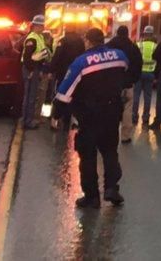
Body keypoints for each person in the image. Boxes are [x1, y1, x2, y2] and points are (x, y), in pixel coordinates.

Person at [55, 28, 129, 209]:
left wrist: (57, 113)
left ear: (88, 41)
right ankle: (112, 188)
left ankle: (92, 197)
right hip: (112, 113)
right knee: (110, 151)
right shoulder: (119, 56)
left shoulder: (81, 62)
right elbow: (127, 72)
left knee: (88, 156)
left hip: (89, 115)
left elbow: (65, 93)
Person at [105, 25, 143, 143]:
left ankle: (108, 135)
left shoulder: (108, 47)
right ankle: (125, 136)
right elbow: (138, 64)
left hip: (110, 84)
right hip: (127, 84)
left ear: (117, 33)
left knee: (109, 109)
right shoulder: (133, 47)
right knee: (127, 109)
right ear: (127, 34)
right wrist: (133, 80)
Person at [49, 26, 86, 132]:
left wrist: (51, 70)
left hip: (63, 73)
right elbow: (83, 56)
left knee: (61, 96)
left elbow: (57, 56)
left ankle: (55, 120)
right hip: (76, 74)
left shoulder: (63, 41)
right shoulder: (80, 41)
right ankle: (68, 120)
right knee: (74, 96)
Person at [20, 15, 52, 129]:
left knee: (32, 95)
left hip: (35, 68)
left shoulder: (39, 37)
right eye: (42, 26)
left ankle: (28, 119)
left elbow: (41, 54)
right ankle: (27, 121)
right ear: (37, 26)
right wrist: (32, 70)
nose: (44, 28)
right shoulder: (32, 38)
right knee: (30, 96)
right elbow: (28, 57)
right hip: (31, 69)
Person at [133, 25, 157, 126]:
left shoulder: (139, 45)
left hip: (139, 74)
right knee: (148, 97)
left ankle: (134, 116)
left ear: (144, 34)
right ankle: (146, 118)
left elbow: (134, 60)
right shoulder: (155, 46)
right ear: (152, 35)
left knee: (136, 96)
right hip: (150, 73)